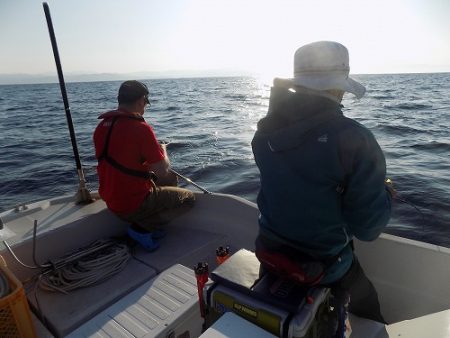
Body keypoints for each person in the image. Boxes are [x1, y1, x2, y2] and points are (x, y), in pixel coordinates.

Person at [251, 41, 393, 323]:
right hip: (324, 268)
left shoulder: (263, 134)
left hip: (269, 256)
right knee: (370, 308)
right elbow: (368, 228)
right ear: (338, 87)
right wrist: (385, 194)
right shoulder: (355, 138)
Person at [93, 80, 195, 251]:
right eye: (145, 103)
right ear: (141, 100)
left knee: (168, 179)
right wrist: (163, 150)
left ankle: (148, 225)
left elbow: (123, 158)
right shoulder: (141, 128)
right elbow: (163, 171)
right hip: (131, 204)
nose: (145, 108)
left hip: (111, 200)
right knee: (187, 198)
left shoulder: (102, 126)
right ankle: (142, 229)